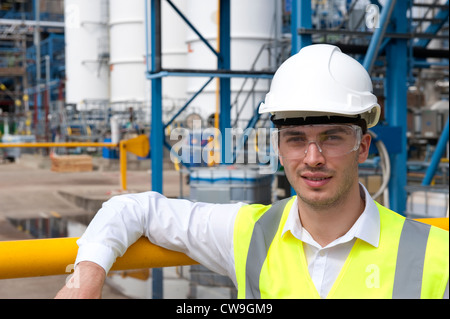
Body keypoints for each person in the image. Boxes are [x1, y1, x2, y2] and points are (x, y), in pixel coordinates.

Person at [56, 44, 449, 299]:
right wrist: (86, 275)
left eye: (331, 138)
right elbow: (131, 209)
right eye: (295, 138)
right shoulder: (249, 233)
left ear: (362, 146)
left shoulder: (436, 256)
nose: (312, 157)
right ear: (278, 149)